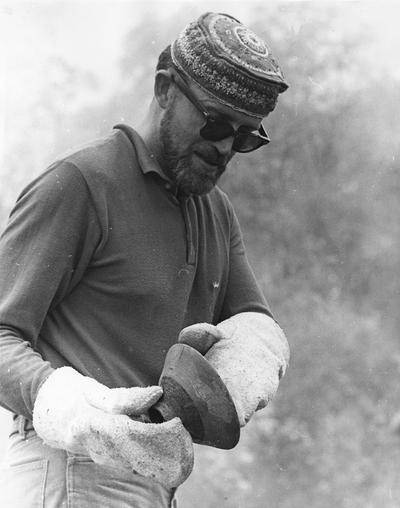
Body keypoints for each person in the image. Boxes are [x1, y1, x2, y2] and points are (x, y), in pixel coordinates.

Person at [0, 12, 290, 508]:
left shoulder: (216, 210)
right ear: (164, 90)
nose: (225, 147)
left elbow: (251, 321)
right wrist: (72, 408)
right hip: (70, 468)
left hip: (155, 482)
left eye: (244, 137)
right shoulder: (81, 183)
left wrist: (249, 354)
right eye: (216, 122)